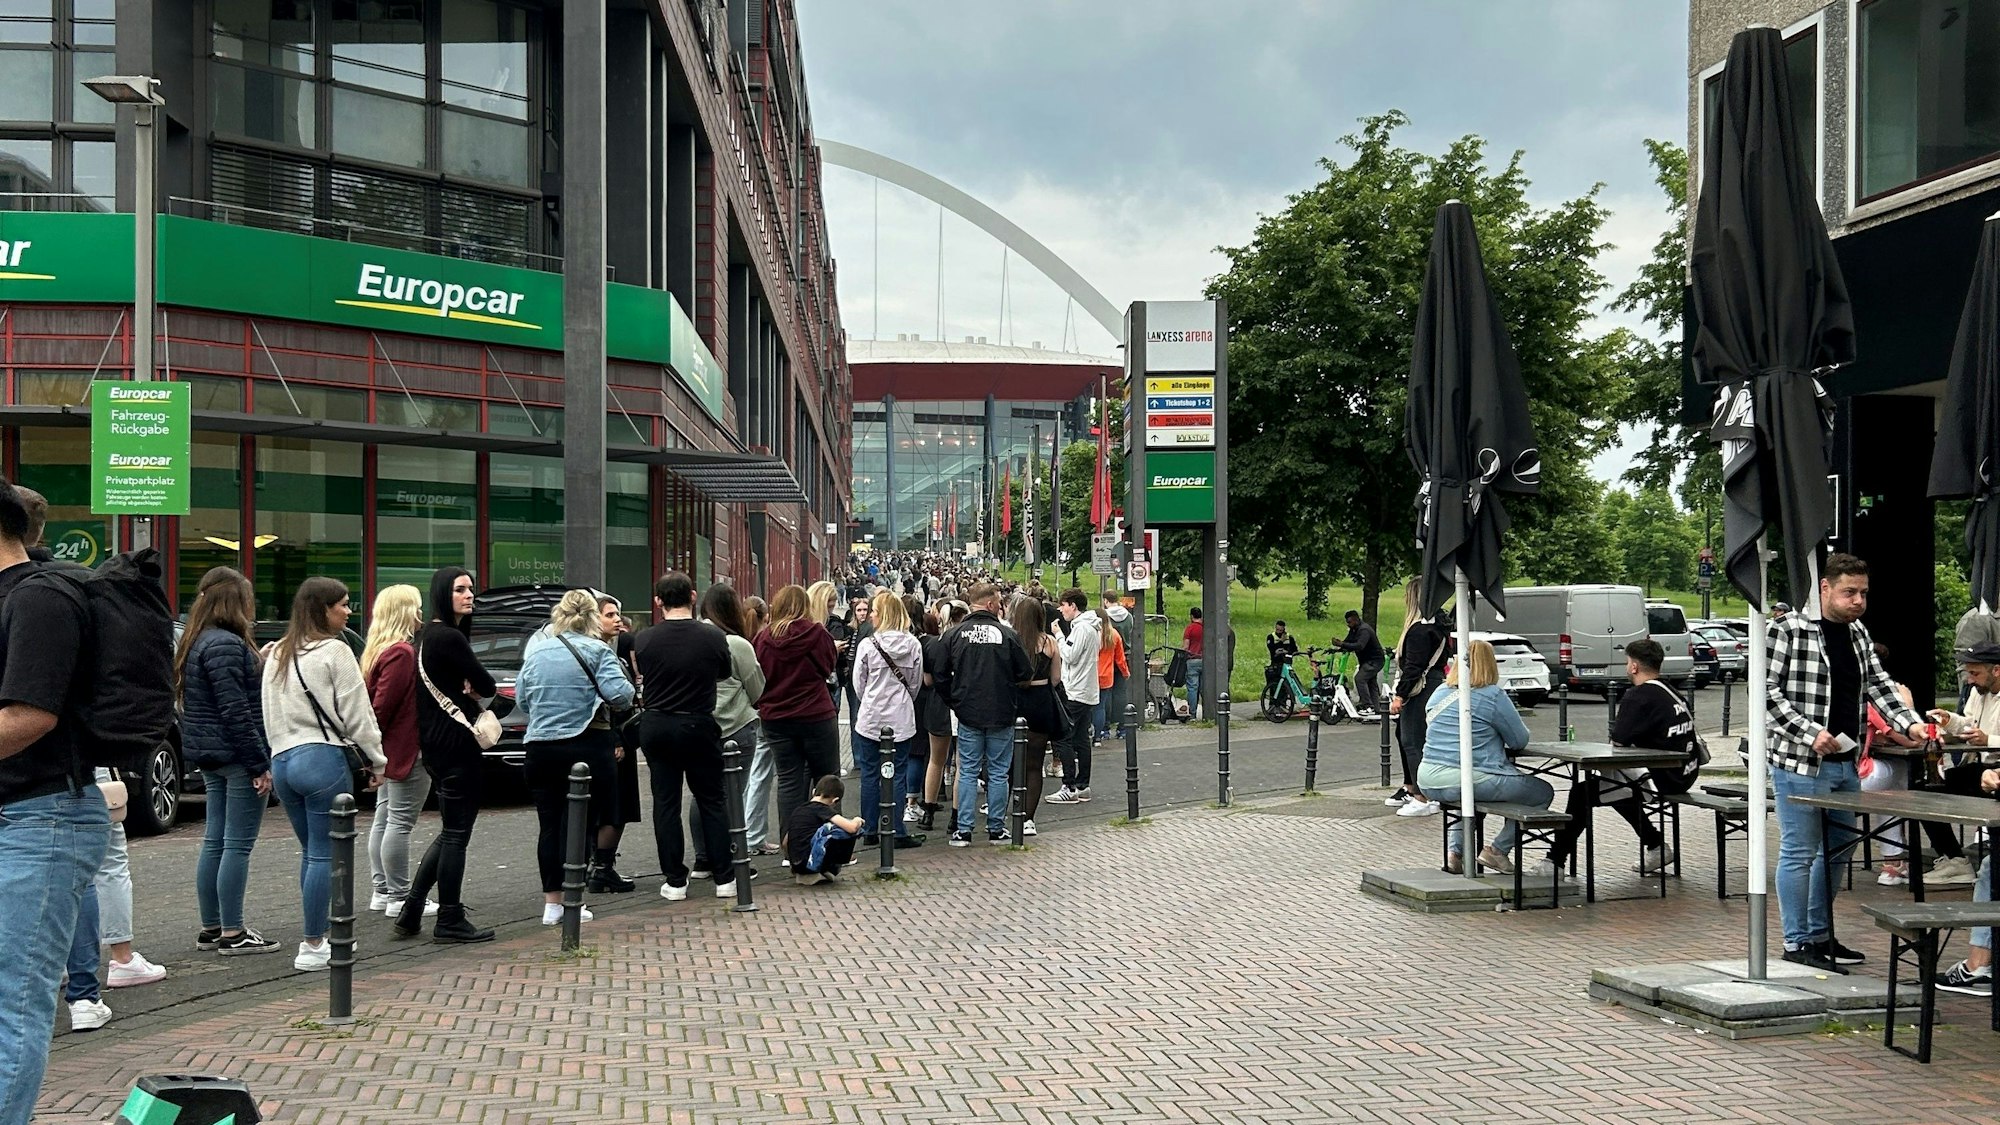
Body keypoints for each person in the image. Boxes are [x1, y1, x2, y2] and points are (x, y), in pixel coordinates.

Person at [0, 474, 110, 1115]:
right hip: (20, 815)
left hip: (41, 819)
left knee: (15, 999)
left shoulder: (41, 598)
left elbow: (30, 714)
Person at [1767, 553, 1926, 974]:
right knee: (1799, 851)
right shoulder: (1787, 629)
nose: (1858, 601)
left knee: (1838, 851)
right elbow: (1765, 693)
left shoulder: (1857, 633)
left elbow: (1880, 686)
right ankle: (1796, 941)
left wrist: (1910, 724)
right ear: (1824, 589)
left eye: (1863, 593)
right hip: (1799, 761)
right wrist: (1807, 732)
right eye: (1849, 592)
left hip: (1846, 760)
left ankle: (1820, 933)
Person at [262, 577, 387, 970]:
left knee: (311, 852)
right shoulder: (336, 651)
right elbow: (357, 711)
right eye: (343, 605)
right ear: (323, 609)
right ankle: (315, 942)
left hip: (283, 760)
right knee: (325, 854)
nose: (349, 612)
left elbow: (267, 711)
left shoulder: (278, 653)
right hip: (322, 760)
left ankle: (316, 936)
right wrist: (377, 759)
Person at [513, 590, 632, 925]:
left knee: (549, 826)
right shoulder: (597, 650)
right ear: (593, 617)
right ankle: (573, 902)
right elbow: (621, 696)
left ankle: (552, 904)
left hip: (539, 748)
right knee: (579, 825)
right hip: (586, 745)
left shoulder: (536, 651)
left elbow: (522, 700)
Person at [396, 566, 501, 944]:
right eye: (460, 590)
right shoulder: (450, 637)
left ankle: (411, 910)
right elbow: (487, 683)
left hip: (435, 745)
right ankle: (450, 917)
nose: (469, 595)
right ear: (444, 594)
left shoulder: (424, 636)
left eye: (471, 589)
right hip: (458, 745)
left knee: (448, 831)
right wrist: (472, 690)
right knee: (457, 834)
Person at [180, 566, 280, 954]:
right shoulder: (226, 644)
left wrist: (259, 660)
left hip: (210, 754)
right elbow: (236, 710)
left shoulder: (200, 640)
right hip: (237, 756)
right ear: (236, 602)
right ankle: (233, 932)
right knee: (236, 844)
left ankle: (212, 925)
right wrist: (259, 763)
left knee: (215, 840)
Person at [1534, 639, 1695, 879]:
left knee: (1582, 794)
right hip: (1685, 773)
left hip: (1661, 778)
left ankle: (1555, 862)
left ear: (1634, 667)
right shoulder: (1671, 691)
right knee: (1616, 787)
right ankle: (1656, 845)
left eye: (1627, 662)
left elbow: (1618, 741)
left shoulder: (1638, 696)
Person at [634, 572, 735, 899]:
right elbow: (723, 673)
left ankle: (675, 880)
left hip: (658, 724)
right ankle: (724, 878)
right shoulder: (713, 636)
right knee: (712, 800)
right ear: (694, 596)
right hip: (698, 723)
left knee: (665, 803)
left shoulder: (645, 639)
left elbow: (646, 673)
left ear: (657, 601)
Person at [1417, 639, 1547, 875]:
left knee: (1466, 795)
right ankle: (1497, 850)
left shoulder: (1439, 693)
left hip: (1427, 778)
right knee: (1541, 792)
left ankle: (1455, 854)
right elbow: (1519, 740)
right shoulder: (1491, 695)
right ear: (1491, 664)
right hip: (1467, 776)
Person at [1865, 642, 1974, 887]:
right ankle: (1896, 862)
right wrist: (1909, 708)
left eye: (1973, 672)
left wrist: (1951, 722)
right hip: (1858, 775)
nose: (1968, 678)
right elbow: (1909, 740)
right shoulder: (1874, 698)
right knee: (1912, 788)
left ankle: (1899, 861)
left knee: (1917, 788)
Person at [359, 584, 435, 920]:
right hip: (407, 748)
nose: (422, 614)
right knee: (399, 822)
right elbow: (383, 705)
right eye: (417, 607)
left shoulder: (378, 649)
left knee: (384, 818)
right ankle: (399, 895)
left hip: (388, 750)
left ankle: (382, 890)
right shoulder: (402, 652)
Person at [755, 584, 842, 858]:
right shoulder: (817, 633)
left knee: (789, 782)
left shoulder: (763, 638)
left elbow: (759, 677)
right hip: (815, 714)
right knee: (827, 779)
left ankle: (792, 847)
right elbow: (828, 667)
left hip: (777, 718)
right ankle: (831, 847)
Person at [686, 583, 767, 876]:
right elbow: (757, 689)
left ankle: (703, 858)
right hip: (736, 726)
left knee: (701, 793)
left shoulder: (691, 638)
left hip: (699, 727)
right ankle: (735, 858)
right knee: (733, 793)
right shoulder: (737, 644)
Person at [1934, 642, 2000, 997]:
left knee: (1992, 869)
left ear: (1996, 670)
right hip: (1985, 770)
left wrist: (1989, 739)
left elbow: (1987, 736)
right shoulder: (1979, 693)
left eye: (1975, 672)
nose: (1970, 679)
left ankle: (1979, 965)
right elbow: (1969, 726)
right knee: (1933, 788)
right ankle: (1955, 854)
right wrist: (1950, 721)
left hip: (1992, 770)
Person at [944, 583, 1032, 846]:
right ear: (992, 605)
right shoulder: (1008, 634)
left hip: (968, 712)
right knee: (998, 772)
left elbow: (938, 672)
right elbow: (1025, 672)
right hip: (1001, 711)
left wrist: (954, 699)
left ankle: (964, 830)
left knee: (968, 770)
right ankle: (996, 828)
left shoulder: (955, 634)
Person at [850, 590, 924, 847]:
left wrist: (870, 698)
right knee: (897, 772)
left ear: (882, 615)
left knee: (870, 773)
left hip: (871, 717)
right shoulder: (913, 644)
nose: (870, 615)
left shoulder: (868, 645)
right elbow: (915, 683)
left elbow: (858, 683)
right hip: (901, 717)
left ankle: (870, 828)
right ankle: (895, 828)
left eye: (873, 611)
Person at [592, 595, 643, 891]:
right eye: (610, 614)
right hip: (611, 739)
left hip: (612, 735)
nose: (617, 620)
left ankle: (598, 864)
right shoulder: (598, 654)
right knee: (614, 805)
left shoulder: (617, 648)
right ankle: (602, 867)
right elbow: (607, 701)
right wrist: (616, 738)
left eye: (618, 614)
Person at [1389, 580, 1448, 817]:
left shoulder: (1418, 631)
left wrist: (1399, 694)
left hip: (1419, 688)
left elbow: (1413, 667)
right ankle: (1414, 787)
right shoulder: (1439, 628)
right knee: (1413, 738)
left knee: (1412, 740)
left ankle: (1422, 796)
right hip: (1433, 683)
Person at [1008, 598, 1062, 831]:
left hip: (1015, 703)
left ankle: (1009, 811)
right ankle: (1028, 819)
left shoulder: (1011, 640)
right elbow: (1057, 678)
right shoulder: (1049, 642)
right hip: (1041, 703)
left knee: (1009, 764)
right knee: (1034, 765)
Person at [1049, 588, 1101, 804]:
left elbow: (1069, 656)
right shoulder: (1092, 628)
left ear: (1073, 605)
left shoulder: (1081, 629)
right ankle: (1083, 785)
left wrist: (1058, 635)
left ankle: (1069, 786)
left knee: (1063, 737)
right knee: (1081, 740)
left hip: (1075, 691)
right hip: (1086, 690)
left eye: (1063, 605)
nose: (1060, 610)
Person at [912, 603, 955, 831]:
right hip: (963, 704)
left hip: (938, 703)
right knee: (963, 765)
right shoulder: (964, 643)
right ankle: (956, 818)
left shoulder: (931, 645)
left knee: (935, 760)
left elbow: (927, 681)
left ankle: (928, 811)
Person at [788, 775, 865, 884]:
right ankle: (826, 868)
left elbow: (786, 841)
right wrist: (857, 820)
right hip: (809, 862)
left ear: (813, 792)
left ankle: (805, 872)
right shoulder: (822, 809)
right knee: (841, 831)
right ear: (835, 800)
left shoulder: (798, 810)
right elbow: (851, 828)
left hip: (797, 863)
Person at [1337, 610, 1385, 719]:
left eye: (1349, 622)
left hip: (1374, 660)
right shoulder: (1354, 629)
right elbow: (1349, 640)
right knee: (1371, 683)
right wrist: (1340, 647)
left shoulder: (1364, 630)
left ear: (1356, 620)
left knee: (1360, 679)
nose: (1348, 624)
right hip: (1367, 661)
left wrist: (1343, 644)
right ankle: (1377, 709)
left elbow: (1360, 645)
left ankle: (1368, 706)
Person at [1095, 603, 1129, 742]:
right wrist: (1125, 672)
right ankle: (1108, 731)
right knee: (1104, 704)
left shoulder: (1093, 633)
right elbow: (1120, 658)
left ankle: (1099, 732)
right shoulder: (1114, 635)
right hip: (1107, 674)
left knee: (1094, 707)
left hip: (1092, 674)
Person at [1182, 608, 1205, 719]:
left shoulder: (1190, 628)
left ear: (1191, 616)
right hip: (1205, 661)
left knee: (1192, 688)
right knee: (1204, 688)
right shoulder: (1205, 628)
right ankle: (1208, 713)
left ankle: (1192, 714)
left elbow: (1186, 646)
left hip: (1192, 661)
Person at [1265, 620, 1300, 692]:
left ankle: (1283, 700)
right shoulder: (1271, 637)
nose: (1279, 632)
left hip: (1287, 663)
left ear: (1284, 629)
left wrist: (1287, 652)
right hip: (1275, 663)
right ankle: (1272, 702)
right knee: (1274, 683)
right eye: (1277, 630)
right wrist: (1281, 641)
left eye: (1281, 630)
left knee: (1285, 685)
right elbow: (1272, 649)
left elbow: (1295, 650)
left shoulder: (1290, 638)